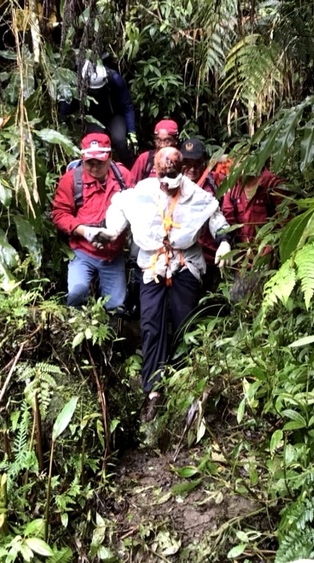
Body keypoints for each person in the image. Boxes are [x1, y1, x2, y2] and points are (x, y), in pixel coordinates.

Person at [93, 148, 232, 420]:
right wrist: (109, 233)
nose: (168, 181)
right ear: (156, 173)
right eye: (164, 175)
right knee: (151, 324)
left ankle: (184, 383)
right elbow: (119, 213)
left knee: (184, 321)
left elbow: (217, 219)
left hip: (185, 262)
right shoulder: (143, 192)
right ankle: (153, 391)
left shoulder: (195, 194)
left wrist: (225, 242)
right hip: (151, 265)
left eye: (173, 174)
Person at [50, 132, 132, 312]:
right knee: (76, 292)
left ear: (109, 157)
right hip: (83, 250)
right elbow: (59, 213)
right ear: (82, 158)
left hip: (113, 254)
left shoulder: (123, 177)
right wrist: (84, 231)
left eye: (99, 162)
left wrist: (118, 230)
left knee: (116, 306)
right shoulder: (71, 179)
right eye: (90, 163)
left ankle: (109, 337)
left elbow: (135, 207)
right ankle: (75, 330)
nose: (94, 168)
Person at [59, 59, 137, 167]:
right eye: (93, 90)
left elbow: (127, 106)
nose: (96, 91)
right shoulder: (75, 85)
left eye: (98, 89)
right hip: (91, 117)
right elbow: (65, 110)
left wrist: (131, 131)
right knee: (97, 142)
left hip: (113, 114)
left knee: (120, 141)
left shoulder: (114, 79)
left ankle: (130, 169)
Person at [179, 138, 221, 292]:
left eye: (197, 163)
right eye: (187, 163)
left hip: (209, 256)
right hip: (183, 258)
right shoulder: (174, 184)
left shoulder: (212, 185)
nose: (192, 168)